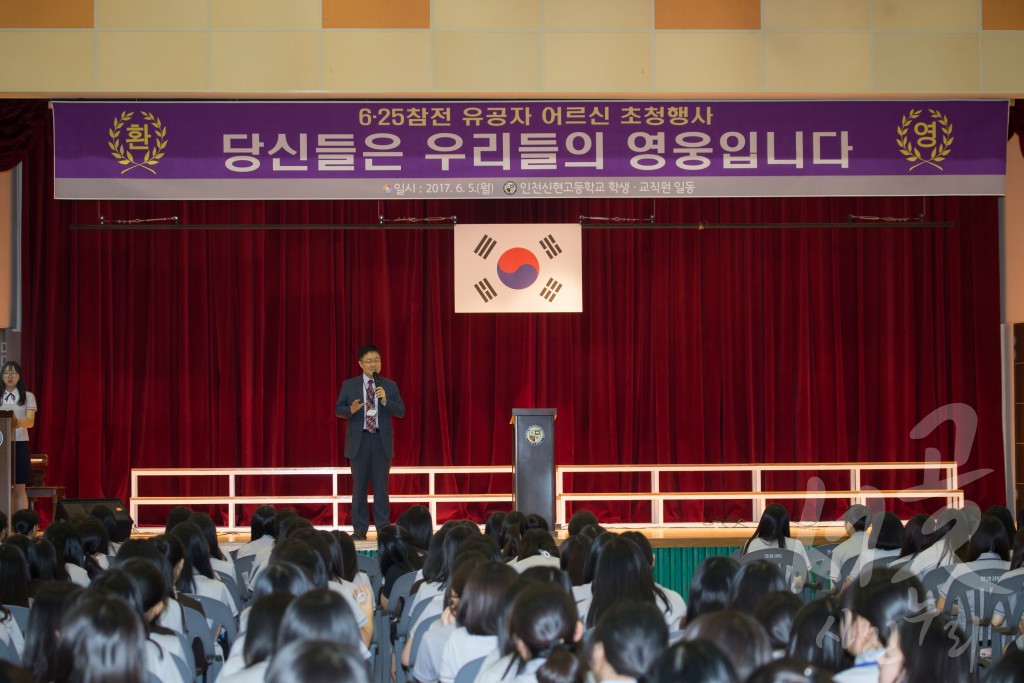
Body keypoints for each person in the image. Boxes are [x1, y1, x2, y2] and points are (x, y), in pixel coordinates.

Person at [335, 344, 406, 540]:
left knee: (381, 487)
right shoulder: (349, 385)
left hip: (381, 441)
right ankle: (360, 529)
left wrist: (385, 401)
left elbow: (401, 411)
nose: (373, 364)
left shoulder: (389, 386)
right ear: (361, 364)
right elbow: (338, 409)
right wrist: (351, 409)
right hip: (360, 441)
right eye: (369, 361)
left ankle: (383, 527)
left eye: (377, 360)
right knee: (359, 488)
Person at [1, 362, 36, 512]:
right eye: (6, 372)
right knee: (2, 487)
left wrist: (14, 422)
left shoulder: (28, 396)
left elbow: (30, 422)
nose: (10, 376)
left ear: (19, 376)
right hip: (1, 445)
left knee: (19, 487)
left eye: (13, 373)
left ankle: (21, 527)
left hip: (19, 444)